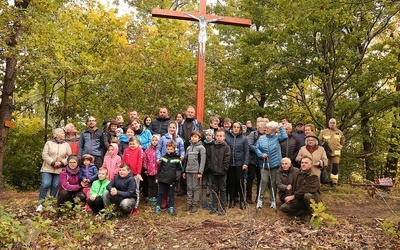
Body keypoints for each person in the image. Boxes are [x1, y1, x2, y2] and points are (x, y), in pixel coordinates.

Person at [36, 128, 72, 212]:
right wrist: (52, 162)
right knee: (45, 184)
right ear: (56, 135)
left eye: (63, 133)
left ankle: (50, 204)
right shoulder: (49, 143)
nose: (63, 134)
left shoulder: (66, 145)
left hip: (60, 169)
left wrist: (61, 163)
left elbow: (69, 156)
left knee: (55, 186)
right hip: (47, 168)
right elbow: (44, 155)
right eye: (62, 133)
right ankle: (40, 204)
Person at [255, 121, 287, 209]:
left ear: (273, 130)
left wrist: (281, 127)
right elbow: (256, 148)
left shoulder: (277, 137)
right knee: (264, 181)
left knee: (273, 183)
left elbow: (285, 136)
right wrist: (261, 155)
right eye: (266, 127)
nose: (266, 129)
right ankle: (260, 200)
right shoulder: (261, 138)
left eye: (268, 128)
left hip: (275, 163)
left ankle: (273, 201)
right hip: (264, 163)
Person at [156, 120, 185, 202]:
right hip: (164, 162)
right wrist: (158, 158)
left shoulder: (179, 139)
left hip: (173, 163)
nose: (172, 129)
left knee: (171, 181)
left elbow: (182, 149)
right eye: (170, 127)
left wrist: (182, 155)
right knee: (163, 181)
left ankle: (170, 199)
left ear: (176, 128)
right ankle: (164, 199)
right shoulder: (163, 138)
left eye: (174, 127)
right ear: (168, 128)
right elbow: (158, 149)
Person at [225, 122, 249, 210]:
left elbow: (247, 152)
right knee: (231, 182)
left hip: (240, 164)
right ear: (232, 128)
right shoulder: (227, 138)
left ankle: (242, 200)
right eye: (234, 127)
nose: (236, 129)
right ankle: (232, 200)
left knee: (240, 183)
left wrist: (246, 163)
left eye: (238, 127)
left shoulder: (244, 139)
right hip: (230, 164)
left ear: (240, 129)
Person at [155, 141, 182, 215]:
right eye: (168, 149)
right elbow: (159, 169)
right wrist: (157, 177)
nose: (169, 151)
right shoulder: (163, 158)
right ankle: (158, 206)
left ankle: (171, 207)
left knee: (171, 194)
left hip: (171, 180)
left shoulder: (177, 159)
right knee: (160, 193)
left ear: (174, 149)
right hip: (162, 179)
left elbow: (179, 170)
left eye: (171, 149)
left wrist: (177, 179)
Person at [182, 131, 206, 213]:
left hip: (196, 171)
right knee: (189, 188)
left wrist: (200, 172)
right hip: (188, 171)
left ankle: (195, 204)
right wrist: (184, 171)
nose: (193, 138)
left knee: (195, 188)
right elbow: (186, 160)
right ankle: (188, 204)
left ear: (199, 138)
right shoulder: (188, 148)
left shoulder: (201, 148)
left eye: (195, 136)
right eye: (192, 136)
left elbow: (202, 161)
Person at [209, 129, 231, 215]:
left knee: (222, 190)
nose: (219, 138)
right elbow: (209, 158)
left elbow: (227, 159)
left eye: (221, 136)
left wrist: (224, 169)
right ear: (215, 136)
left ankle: (222, 208)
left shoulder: (226, 147)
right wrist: (211, 167)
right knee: (214, 190)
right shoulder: (212, 147)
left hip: (222, 173)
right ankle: (214, 207)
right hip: (213, 172)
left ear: (224, 137)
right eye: (217, 136)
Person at [318, 118, 345, 187]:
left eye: (333, 123)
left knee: (335, 168)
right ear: (329, 124)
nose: (332, 124)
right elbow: (319, 141)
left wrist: (340, 147)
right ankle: (322, 180)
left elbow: (342, 143)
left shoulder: (340, 133)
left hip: (336, 153)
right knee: (324, 166)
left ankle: (334, 182)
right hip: (326, 153)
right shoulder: (324, 132)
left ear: (336, 124)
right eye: (331, 123)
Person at [121, 136, 143, 216]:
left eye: (134, 144)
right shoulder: (126, 150)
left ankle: (135, 207)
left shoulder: (139, 150)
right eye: (130, 144)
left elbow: (140, 162)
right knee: (126, 189)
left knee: (136, 190)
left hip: (135, 174)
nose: (132, 145)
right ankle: (125, 205)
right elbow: (123, 161)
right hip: (127, 174)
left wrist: (138, 173)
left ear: (137, 143)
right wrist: (122, 171)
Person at [246, 121, 266, 204]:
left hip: (261, 161)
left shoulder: (266, 136)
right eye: (263, 129)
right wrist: (257, 151)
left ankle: (259, 198)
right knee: (250, 179)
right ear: (258, 127)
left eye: (266, 129)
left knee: (260, 180)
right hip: (252, 160)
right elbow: (249, 145)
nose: (264, 131)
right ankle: (248, 197)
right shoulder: (252, 134)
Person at [143, 134, 160, 205]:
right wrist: (145, 168)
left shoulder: (159, 149)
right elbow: (145, 159)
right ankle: (151, 197)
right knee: (150, 184)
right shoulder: (148, 149)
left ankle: (156, 197)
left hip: (157, 171)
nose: (154, 142)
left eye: (156, 140)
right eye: (153, 140)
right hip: (149, 171)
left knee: (156, 185)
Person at [201, 129, 214, 210]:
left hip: (211, 168)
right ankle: (204, 202)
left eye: (210, 135)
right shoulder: (202, 144)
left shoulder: (214, 145)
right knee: (203, 185)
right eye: (207, 135)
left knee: (211, 186)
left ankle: (211, 202)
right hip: (203, 168)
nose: (208, 136)